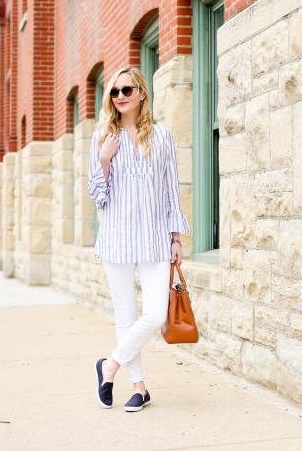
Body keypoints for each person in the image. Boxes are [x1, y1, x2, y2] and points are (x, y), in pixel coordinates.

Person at [88, 66, 190, 412]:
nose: (120, 97)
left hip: (154, 237)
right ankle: (139, 388)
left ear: (142, 93)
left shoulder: (161, 137)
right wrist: (104, 160)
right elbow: (97, 195)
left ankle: (109, 366)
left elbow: (171, 191)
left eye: (126, 90)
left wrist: (176, 237)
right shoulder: (102, 136)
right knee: (125, 316)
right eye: (114, 92)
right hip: (116, 237)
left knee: (156, 312)